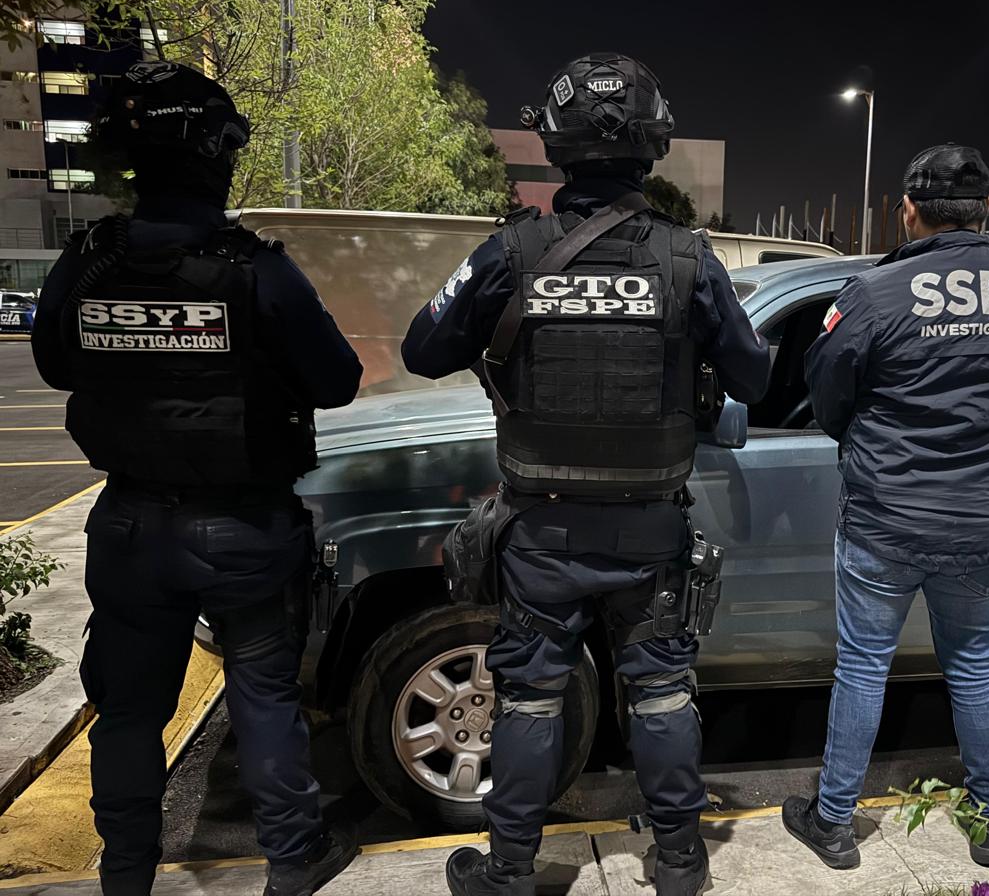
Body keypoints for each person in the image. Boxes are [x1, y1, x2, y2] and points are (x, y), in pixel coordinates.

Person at [401, 52, 770, 896]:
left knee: (530, 696)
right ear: (654, 143)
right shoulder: (688, 257)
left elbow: (424, 348)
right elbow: (752, 378)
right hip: (650, 528)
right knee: (662, 692)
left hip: (543, 529)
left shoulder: (510, 251)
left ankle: (509, 871)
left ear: (555, 142)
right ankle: (679, 862)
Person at [30, 61, 364, 896]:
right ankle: (293, 861)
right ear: (215, 153)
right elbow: (337, 380)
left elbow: (54, 365)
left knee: (129, 710)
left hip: (130, 526)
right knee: (263, 694)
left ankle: (126, 876)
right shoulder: (255, 268)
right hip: (243, 528)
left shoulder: (89, 261)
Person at [784, 145, 989, 871]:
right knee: (973, 665)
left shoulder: (874, 293)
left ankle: (834, 822)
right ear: (987, 210)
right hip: (983, 523)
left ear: (908, 210)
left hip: (886, 520)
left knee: (863, 668)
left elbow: (828, 397)